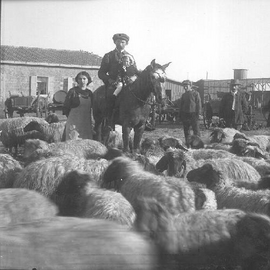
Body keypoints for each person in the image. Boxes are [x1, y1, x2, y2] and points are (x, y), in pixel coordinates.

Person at [98, 33, 139, 127]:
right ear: (114, 42)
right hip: (114, 83)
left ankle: (141, 119)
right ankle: (109, 119)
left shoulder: (130, 56)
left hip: (128, 82)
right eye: (118, 41)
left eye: (123, 42)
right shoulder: (109, 56)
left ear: (126, 43)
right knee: (111, 96)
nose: (120, 44)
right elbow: (101, 73)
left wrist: (133, 78)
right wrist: (109, 80)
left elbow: (136, 72)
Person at [62, 71, 94, 140]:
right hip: (74, 123)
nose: (82, 81)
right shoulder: (72, 92)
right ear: (77, 80)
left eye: (84, 79)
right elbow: (66, 107)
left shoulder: (90, 93)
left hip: (86, 124)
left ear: (88, 80)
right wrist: (72, 119)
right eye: (80, 79)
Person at [178, 80, 202, 147]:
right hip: (185, 115)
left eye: (186, 86)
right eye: (184, 86)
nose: (185, 88)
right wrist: (180, 115)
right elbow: (181, 105)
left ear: (190, 86)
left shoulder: (196, 94)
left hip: (194, 114)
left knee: (196, 130)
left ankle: (198, 145)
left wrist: (199, 114)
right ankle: (188, 145)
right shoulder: (183, 95)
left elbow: (198, 104)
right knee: (186, 131)